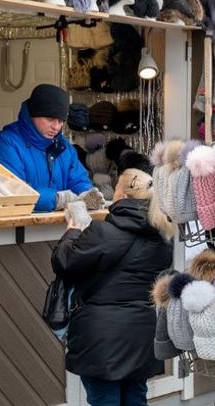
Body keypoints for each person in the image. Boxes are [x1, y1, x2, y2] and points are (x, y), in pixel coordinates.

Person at [52, 167, 174, 406]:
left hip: (102, 335)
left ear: (124, 197)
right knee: (136, 397)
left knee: (103, 400)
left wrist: (72, 233)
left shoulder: (102, 232)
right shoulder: (162, 237)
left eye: (116, 190)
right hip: (142, 332)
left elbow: (64, 263)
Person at [0, 84, 98, 212]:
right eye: (50, 119)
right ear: (33, 115)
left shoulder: (63, 145)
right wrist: (55, 199)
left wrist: (86, 193)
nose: (56, 127)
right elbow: (10, 191)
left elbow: (78, 179)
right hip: (15, 229)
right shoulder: (5, 144)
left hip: (58, 226)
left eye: (61, 121)